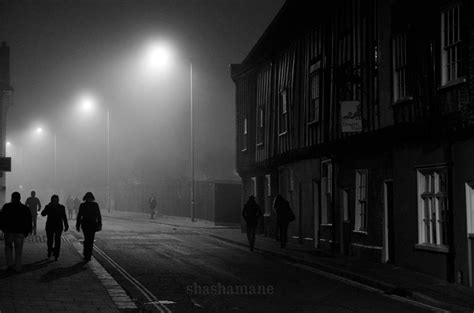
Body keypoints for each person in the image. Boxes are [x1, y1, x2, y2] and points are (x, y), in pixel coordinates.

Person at [0, 192, 32, 272]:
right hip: (20, 231)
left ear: (12, 197)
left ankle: (10, 265)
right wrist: (27, 231)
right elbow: (28, 220)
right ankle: (18, 267)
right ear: (20, 198)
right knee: (18, 250)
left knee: (8, 249)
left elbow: (2, 218)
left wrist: (2, 228)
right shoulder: (25, 208)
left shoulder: (6, 207)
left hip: (9, 231)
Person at [76, 192, 102, 262]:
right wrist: (99, 224)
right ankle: (88, 254)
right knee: (89, 240)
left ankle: (87, 254)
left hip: (87, 224)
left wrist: (78, 225)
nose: (89, 199)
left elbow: (79, 216)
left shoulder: (83, 205)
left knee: (88, 240)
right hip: (91, 224)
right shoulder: (95, 205)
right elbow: (98, 216)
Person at [41, 195, 69, 260]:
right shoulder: (60, 207)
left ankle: (53, 253)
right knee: (55, 240)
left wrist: (66, 225)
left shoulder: (57, 207)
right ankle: (54, 253)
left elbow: (43, 214)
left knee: (53, 240)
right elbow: (43, 214)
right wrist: (66, 225)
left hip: (53, 226)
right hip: (55, 226)